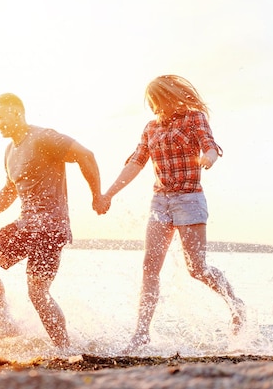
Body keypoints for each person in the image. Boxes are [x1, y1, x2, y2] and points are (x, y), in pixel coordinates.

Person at [94, 75, 245, 353]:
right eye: (150, 102)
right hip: (160, 202)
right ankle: (141, 334)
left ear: (168, 97)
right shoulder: (150, 128)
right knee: (149, 268)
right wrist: (108, 194)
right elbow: (136, 163)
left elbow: (210, 146)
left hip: (189, 199)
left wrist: (207, 159)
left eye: (156, 101)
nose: (153, 107)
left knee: (197, 269)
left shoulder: (194, 118)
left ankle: (236, 304)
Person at [0, 93, 103, 349]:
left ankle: (64, 349)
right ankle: (5, 323)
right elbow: (9, 192)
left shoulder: (43, 137)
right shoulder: (9, 151)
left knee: (37, 293)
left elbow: (86, 155)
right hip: (24, 225)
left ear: (17, 113)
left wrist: (98, 196)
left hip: (51, 227)